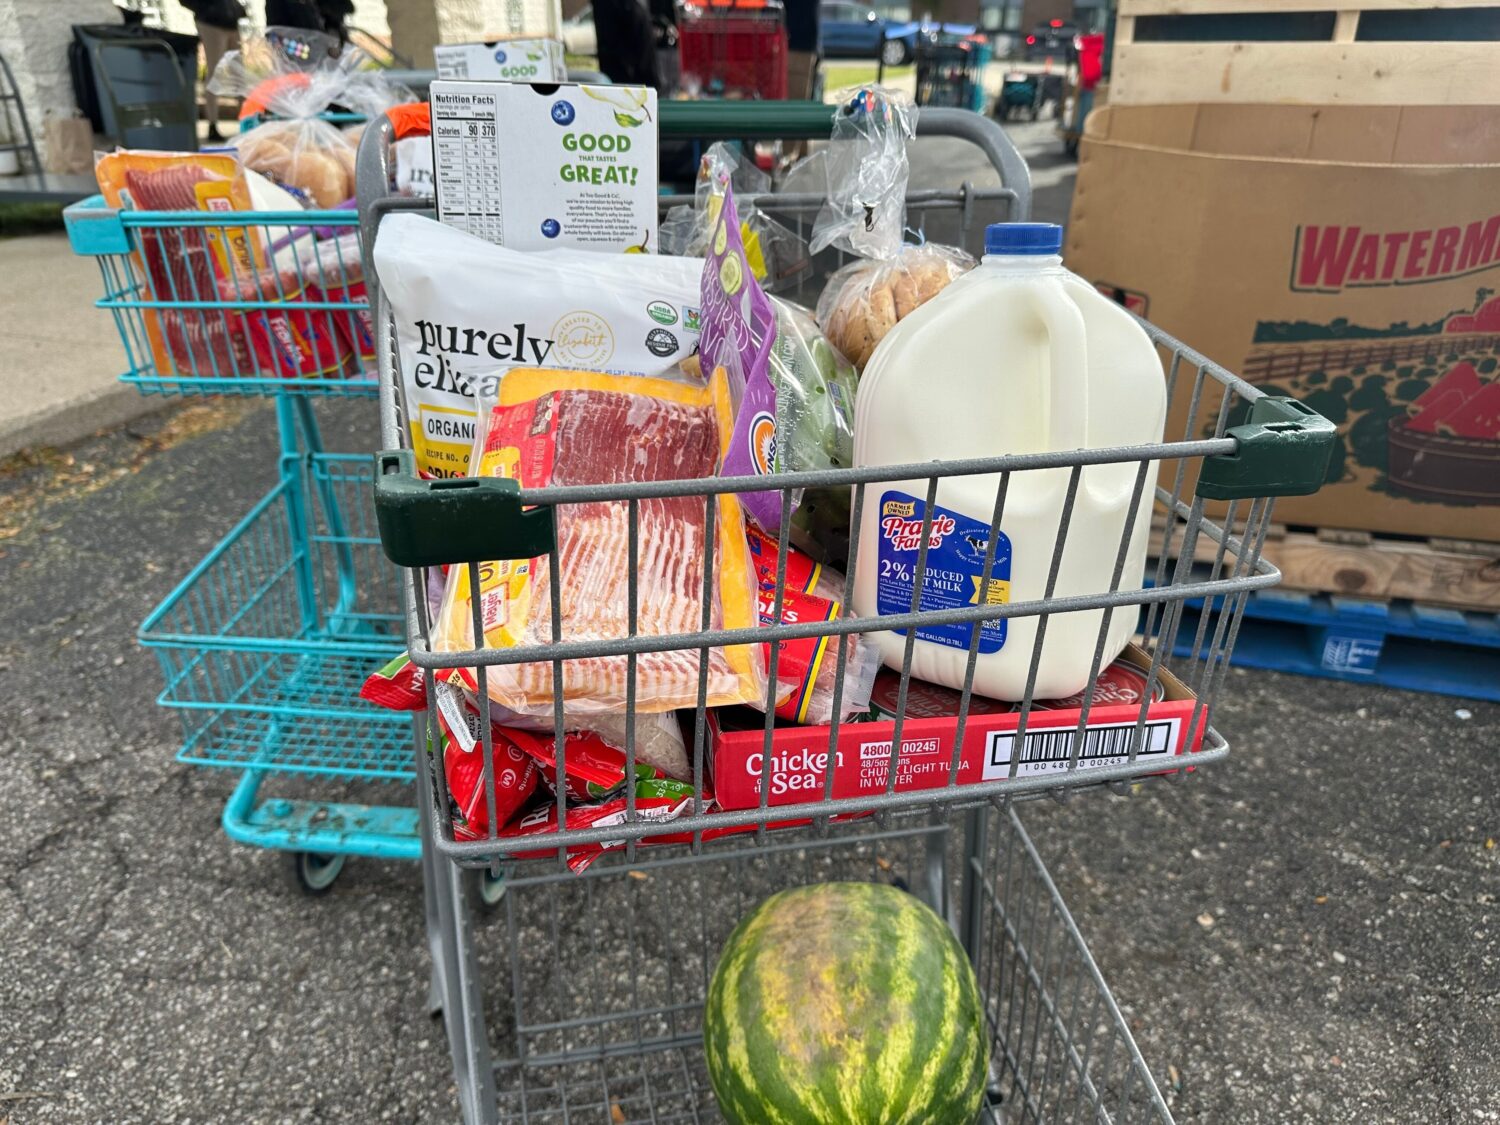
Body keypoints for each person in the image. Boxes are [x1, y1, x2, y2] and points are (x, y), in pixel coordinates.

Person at [180, 0, 246, 140]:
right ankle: (212, 124)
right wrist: (207, 7)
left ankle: (247, 119)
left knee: (239, 72)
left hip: (230, 19)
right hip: (211, 20)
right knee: (215, 71)